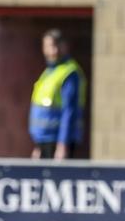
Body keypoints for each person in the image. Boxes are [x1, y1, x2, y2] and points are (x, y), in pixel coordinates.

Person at [29, 29, 85, 160]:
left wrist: (62, 144)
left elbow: (69, 111)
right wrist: (38, 145)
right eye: (48, 47)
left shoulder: (69, 73)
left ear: (64, 46)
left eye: (55, 46)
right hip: (43, 140)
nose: (52, 51)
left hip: (58, 141)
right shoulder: (48, 72)